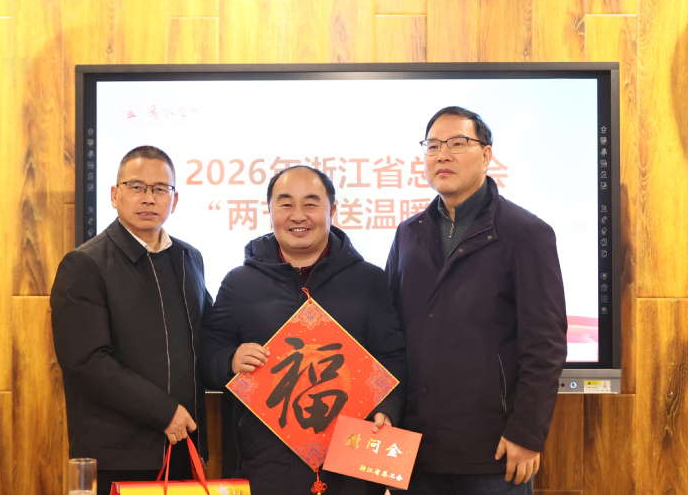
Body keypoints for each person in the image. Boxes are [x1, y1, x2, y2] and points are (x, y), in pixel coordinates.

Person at [386, 107, 567, 494]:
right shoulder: (408, 234)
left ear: (486, 155)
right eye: (433, 146)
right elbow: (391, 333)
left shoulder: (525, 233)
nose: (442, 155)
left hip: (494, 449)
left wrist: (527, 434)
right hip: (414, 449)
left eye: (457, 143)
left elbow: (545, 345)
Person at [201, 165, 407, 495]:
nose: (298, 215)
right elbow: (208, 352)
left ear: (332, 211)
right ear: (270, 212)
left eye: (311, 204)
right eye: (286, 204)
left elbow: (391, 355)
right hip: (266, 461)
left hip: (350, 459)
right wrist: (229, 359)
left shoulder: (369, 280)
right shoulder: (239, 283)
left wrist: (388, 408)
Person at [51, 146, 212, 495]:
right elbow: (86, 362)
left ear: (174, 199)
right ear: (114, 194)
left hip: (183, 448)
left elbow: (207, 336)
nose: (148, 197)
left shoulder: (189, 258)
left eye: (160, 188)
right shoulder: (85, 264)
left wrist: (235, 356)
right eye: (136, 186)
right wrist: (164, 412)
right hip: (119, 455)